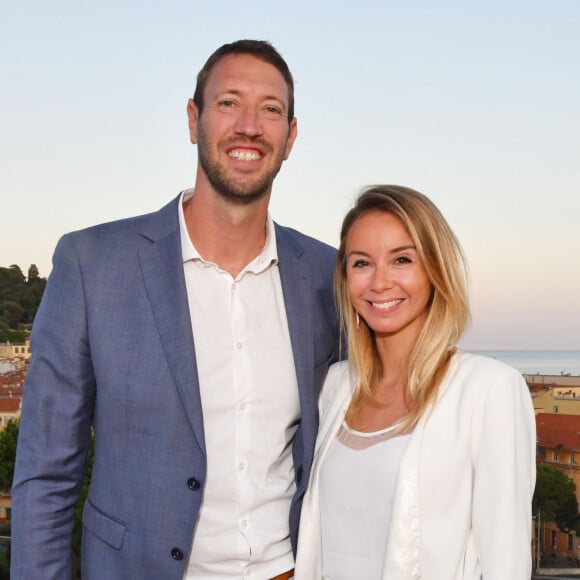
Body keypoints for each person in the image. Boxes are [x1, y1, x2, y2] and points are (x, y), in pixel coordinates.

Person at [11, 40, 340, 580]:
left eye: (271, 110)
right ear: (194, 119)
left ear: (291, 136)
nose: (250, 126)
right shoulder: (93, 264)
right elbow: (46, 475)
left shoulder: (327, 276)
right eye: (229, 103)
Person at [294, 185, 536, 579]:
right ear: (345, 279)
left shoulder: (488, 390)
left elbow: (505, 563)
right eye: (361, 263)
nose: (380, 282)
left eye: (402, 259)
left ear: (435, 270)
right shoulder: (335, 387)